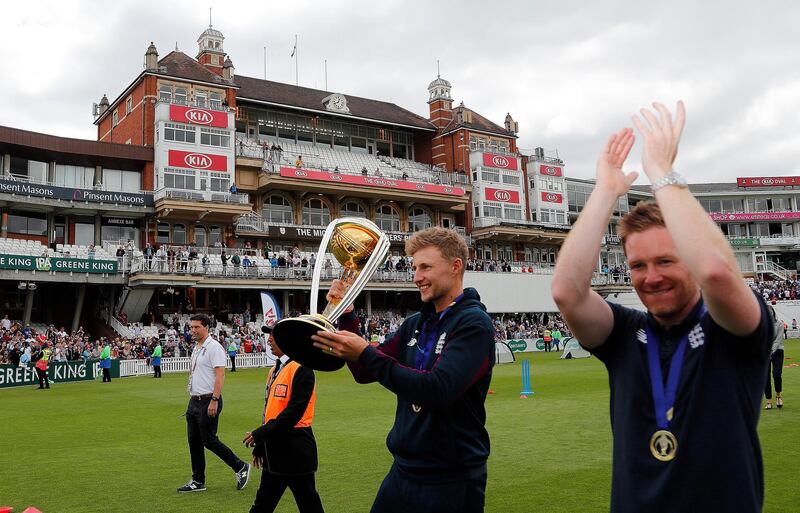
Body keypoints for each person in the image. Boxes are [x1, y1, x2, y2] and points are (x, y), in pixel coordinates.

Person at [551, 102, 772, 513]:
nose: (651, 277)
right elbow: (567, 291)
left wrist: (661, 174)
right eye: (638, 265)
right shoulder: (623, 334)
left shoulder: (734, 328)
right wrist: (605, 192)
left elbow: (717, 271)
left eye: (666, 260)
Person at [312, 227, 495, 513]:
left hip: (451, 479)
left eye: (425, 267)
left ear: (455, 266)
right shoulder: (415, 324)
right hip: (404, 472)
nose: (416, 277)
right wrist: (346, 316)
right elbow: (364, 372)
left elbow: (438, 390)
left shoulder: (473, 325)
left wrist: (365, 352)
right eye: (414, 267)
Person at [243, 327, 324, 513]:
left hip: (296, 450)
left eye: (274, 335)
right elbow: (270, 413)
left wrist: (260, 435)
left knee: (308, 504)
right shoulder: (275, 370)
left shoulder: (302, 369)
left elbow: (293, 413)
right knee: (262, 505)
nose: (269, 340)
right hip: (275, 450)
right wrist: (261, 445)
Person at [177, 313, 250, 493]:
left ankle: (240, 466)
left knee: (209, 440)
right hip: (194, 400)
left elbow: (220, 374)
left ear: (206, 327)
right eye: (191, 327)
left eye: (196, 327)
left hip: (209, 399)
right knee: (194, 442)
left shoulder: (213, 347)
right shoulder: (197, 347)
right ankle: (197, 480)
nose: (192, 330)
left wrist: (215, 400)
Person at [765, 306, 785, 410]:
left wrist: (771, 351)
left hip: (778, 351)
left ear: (773, 313)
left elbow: (778, 341)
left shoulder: (780, 324)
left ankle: (778, 396)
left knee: (777, 374)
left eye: (770, 312)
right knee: (765, 377)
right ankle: (768, 401)